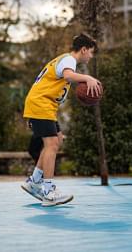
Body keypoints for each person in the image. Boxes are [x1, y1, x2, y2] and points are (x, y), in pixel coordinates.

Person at [21, 33, 102, 206]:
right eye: (91, 52)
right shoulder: (69, 60)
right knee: (51, 145)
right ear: (84, 49)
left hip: (45, 106)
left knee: (57, 140)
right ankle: (48, 191)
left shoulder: (64, 60)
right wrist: (87, 78)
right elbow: (68, 76)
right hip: (41, 104)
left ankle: (34, 181)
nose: (91, 56)